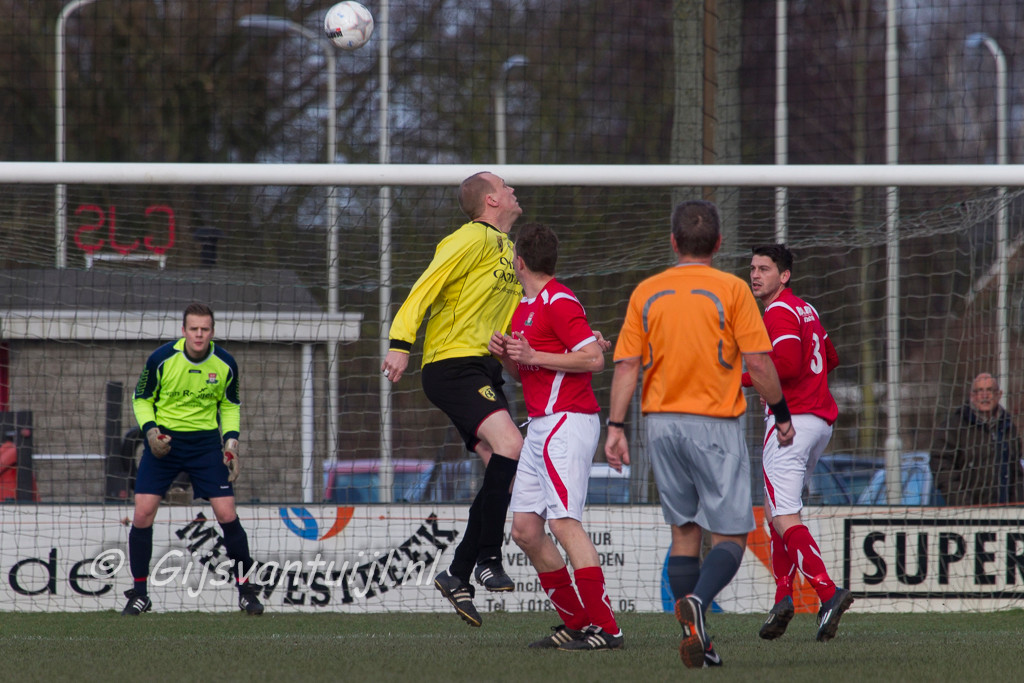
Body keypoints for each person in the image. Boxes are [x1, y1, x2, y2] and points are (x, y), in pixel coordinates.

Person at [604, 200, 795, 669]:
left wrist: (615, 426)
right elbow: (759, 363)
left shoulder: (646, 291)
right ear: (719, 243)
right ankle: (697, 602)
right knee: (731, 537)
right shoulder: (733, 289)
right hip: (714, 424)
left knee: (684, 532)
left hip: (659, 426)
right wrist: (781, 412)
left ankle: (698, 640)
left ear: (673, 242)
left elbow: (627, 365)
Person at [381, 172, 525, 627]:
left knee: (503, 468)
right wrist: (400, 343)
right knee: (511, 446)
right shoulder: (471, 237)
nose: (514, 190)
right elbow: (425, 286)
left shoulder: (508, 250)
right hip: (452, 364)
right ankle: (489, 557)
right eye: (506, 186)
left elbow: (516, 318)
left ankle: (458, 573)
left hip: (482, 369)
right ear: (491, 200)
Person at [488, 223, 622, 651]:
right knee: (526, 530)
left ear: (519, 262)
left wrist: (533, 353)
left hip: (568, 420)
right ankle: (577, 622)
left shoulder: (560, 300)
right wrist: (508, 357)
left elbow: (594, 358)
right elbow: (527, 371)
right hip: (540, 425)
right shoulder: (522, 309)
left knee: (564, 522)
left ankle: (607, 629)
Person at [124, 302, 263, 616]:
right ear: (183, 331)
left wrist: (231, 445)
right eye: (193, 329)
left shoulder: (225, 363)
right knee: (142, 513)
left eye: (204, 329)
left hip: (205, 446)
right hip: (164, 444)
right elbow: (141, 399)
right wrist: (151, 433)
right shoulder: (160, 359)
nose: (199, 334)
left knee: (227, 513)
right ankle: (139, 594)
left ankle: (246, 592)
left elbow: (230, 406)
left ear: (212, 332)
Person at [743, 244, 853, 643]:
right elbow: (830, 357)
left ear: (784, 275)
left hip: (791, 423)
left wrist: (744, 378)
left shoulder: (778, 310)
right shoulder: (806, 309)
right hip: (818, 421)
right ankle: (782, 599)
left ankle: (827, 592)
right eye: (753, 268)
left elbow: (786, 365)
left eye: (765, 269)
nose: (755, 275)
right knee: (778, 511)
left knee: (784, 514)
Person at [931, 372, 1024, 506]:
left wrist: (1017, 505)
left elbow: (1016, 472)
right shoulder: (954, 426)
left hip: (1005, 511)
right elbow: (941, 466)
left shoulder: (1008, 427)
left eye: (989, 390)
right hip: (967, 510)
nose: (984, 396)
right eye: (979, 391)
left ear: (999, 395)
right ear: (972, 396)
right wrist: (961, 502)